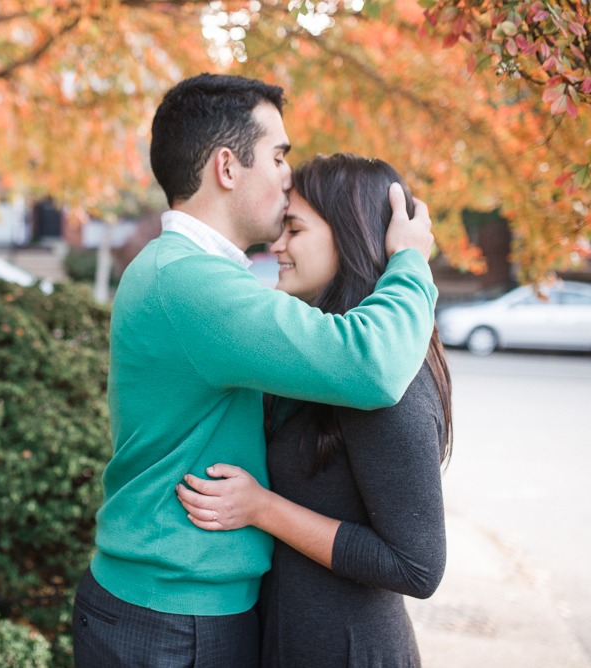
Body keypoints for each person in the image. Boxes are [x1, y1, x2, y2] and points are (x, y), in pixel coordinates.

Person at [72, 74, 437, 668]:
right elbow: (371, 363)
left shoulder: (185, 273)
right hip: (174, 619)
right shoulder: (191, 284)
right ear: (226, 167)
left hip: (172, 609)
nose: (288, 175)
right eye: (278, 155)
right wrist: (410, 261)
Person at [176, 153, 452, 668]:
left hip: (345, 649)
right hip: (284, 637)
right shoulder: (319, 357)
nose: (275, 244)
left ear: (348, 238)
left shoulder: (386, 381)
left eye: (294, 230)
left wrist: (262, 508)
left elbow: (418, 566)